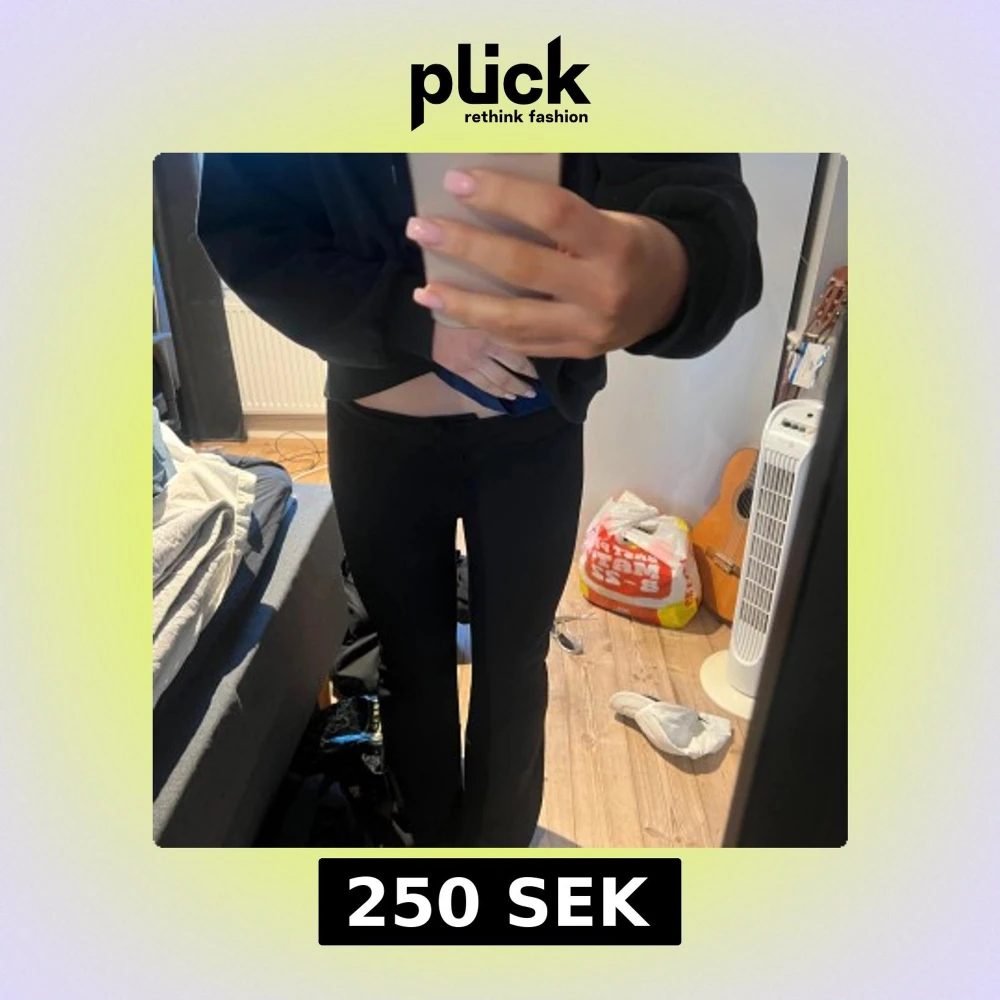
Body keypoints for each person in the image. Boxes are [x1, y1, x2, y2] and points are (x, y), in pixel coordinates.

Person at [197, 153, 762, 847]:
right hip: (381, 431)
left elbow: (707, 209)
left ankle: (499, 850)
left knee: (515, 668)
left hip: (532, 426)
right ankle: (429, 850)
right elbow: (248, 229)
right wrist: (420, 324)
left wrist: (670, 268)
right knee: (410, 666)